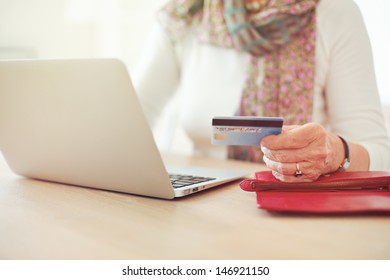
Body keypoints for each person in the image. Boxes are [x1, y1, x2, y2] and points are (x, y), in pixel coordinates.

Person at [132, 0, 390, 182]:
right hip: (201, 203)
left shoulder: (335, 13)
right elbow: (128, 122)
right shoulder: (184, 15)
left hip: (296, 210)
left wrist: (336, 153)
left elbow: (381, 156)